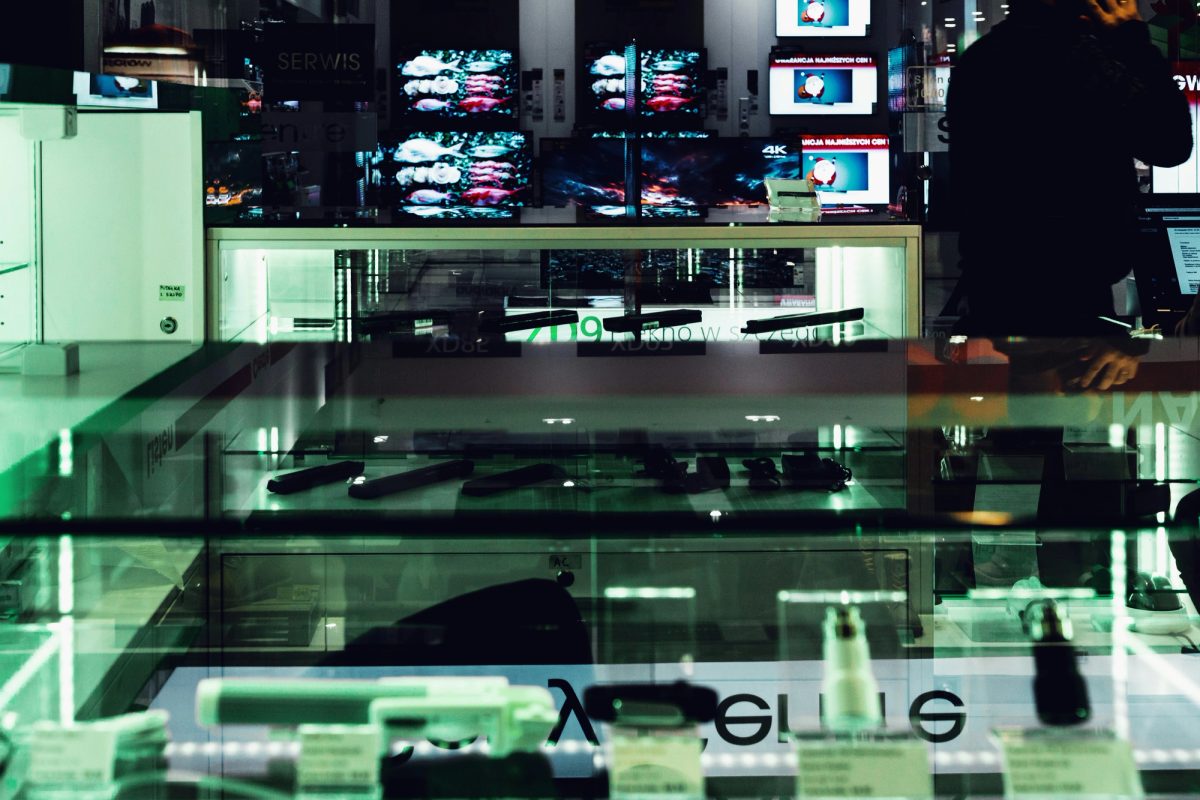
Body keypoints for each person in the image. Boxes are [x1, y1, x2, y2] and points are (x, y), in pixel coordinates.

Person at [947, 0, 1193, 335]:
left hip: (998, 287)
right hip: (1071, 300)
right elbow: (1169, 144)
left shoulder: (981, 58)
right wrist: (1133, 38)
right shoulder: (1079, 59)